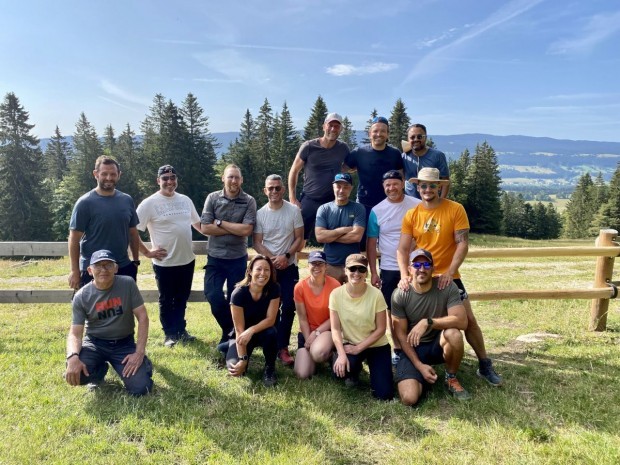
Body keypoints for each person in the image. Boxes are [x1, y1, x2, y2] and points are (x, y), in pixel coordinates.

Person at [397, 167, 503, 386]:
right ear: (418, 187)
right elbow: (402, 249)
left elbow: (462, 243)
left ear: (440, 186)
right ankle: (411, 359)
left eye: (432, 185)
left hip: (448, 276)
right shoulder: (412, 214)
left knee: (468, 320)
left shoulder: (455, 209)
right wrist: (403, 274)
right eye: (423, 185)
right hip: (421, 273)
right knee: (411, 318)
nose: (427, 189)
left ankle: (484, 364)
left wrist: (449, 272)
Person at [64, 250, 153, 395]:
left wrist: (139, 352)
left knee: (141, 388)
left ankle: (144, 365)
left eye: (108, 265)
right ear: (90, 270)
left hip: (124, 344)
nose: (103, 270)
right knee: (76, 376)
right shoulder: (81, 296)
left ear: (116, 268)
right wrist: (72, 357)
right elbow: (75, 333)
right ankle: (99, 371)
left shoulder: (127, 284)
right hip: (95, 344)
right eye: (98, 266)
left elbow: (142, 317)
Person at [136, 165, 203, 348]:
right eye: (165, 178)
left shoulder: (185, 200)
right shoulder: (149, 203)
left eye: (173, 177)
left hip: (187, 259)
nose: (169, 181)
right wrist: (147, 252)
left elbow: (199, 225)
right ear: (158, 181)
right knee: (166, 299)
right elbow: (132, 231)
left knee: (182, 297)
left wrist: (225, 237)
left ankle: (181, 330)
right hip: (164, 263)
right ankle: (169, 334)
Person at [392, 249, 470, 405]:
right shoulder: (400, 294)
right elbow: (400, 335)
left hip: (437, 344)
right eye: (417, 264)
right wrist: (419, 366)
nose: (422, 269)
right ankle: (422, 376)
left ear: (433, 268)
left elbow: (462, 322)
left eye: (427, 264)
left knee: (454, 333)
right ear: (409, 269)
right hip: (413, 346)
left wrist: (428, 322)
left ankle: (451, 377)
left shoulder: (446, 287)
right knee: (409, 398)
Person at [366, 170, 421, 365]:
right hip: (389, 267)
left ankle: (417, 345)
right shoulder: (377, 210)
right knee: (391, 309)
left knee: (417, 306)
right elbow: (371, 244)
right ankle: (398, 348)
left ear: (403, 183)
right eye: (387, 185)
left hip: (417, 266)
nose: (391, 188)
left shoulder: (417, 204)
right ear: (383, 187)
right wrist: (373, 271)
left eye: (395, 183)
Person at [201, 164, 257, 345]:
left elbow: (247, 230)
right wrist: (234, 228)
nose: (234, 181)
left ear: (242, 180)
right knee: (213, 295)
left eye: (237, 177)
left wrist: (219, 222)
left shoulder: (249, 201)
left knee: (236, 299)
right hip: (215, 258)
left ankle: (232, 338)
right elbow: (205, 227)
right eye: (230, 177)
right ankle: (230, 330)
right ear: (223, 178)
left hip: (237, 259)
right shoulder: (212, 198)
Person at [253, 174, 304, 366]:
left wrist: (286, 256)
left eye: (277, 188)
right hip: (267, 269)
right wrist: (272, 260)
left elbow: (299, 238)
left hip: (289, 266)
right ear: (265, 191)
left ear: (283, 189)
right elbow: (257, 242)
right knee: (268, 307)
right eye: (270, 188)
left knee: (289, 306)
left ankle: (282, 347)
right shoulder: (260, 213)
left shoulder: (293, 211)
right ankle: (270, 343)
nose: (274, 191)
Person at [68, 156, 140, 290]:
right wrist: (75, 271)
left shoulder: (126, 200)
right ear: (96, 174)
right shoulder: (85, 203)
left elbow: (133, 233)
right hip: (93, 269)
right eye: (104, 174)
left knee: (124, 309)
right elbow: (74, 238)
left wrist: (135, 262)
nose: (108, 178)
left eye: (113, 174)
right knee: (91, 309)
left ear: (119, 175)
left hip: (122, 267)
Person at [329, 254, 394, 400]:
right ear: (345, 270)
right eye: (352, 268)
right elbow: (335, 329)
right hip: (350, 343)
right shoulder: (335, 294)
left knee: (384, 395)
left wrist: (359, 348)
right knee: (339, 374)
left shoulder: (376, 295)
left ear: (366, 273)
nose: (356, 273)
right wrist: (341, 354)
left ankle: (372, 367)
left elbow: (381, 329)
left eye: (361, 269)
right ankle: (352, 368)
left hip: (376, 345)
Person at [288, 112, 350, 246]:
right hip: (310, 198)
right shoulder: (309, 146)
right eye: (330, 125)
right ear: (324, 126)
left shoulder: (343, 148)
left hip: (331, 200)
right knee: (299, 238)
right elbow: (294, 170)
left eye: (337, 126)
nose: (333, 129)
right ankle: (294, 265)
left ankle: (332, 265)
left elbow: (349, 166)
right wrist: (292, 198)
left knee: (334, 237)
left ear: (341, 129)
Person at [344, 116, 404, 250]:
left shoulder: (394, 154)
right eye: (376, 131)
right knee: (361, 243)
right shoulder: (359, 152)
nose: (379, 134)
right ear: (369, 133)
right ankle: (360, 270)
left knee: (388, 243)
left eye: (383, 131)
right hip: (364, 205)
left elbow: (401, 176)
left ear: (387, 134)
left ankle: (386, 271)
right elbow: (343, 170)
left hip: (388, 205)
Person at [225, 254, 281, 387]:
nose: (263, 273)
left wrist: (251, 330)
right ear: (250, 271)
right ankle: (227, 347)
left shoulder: (274, 288)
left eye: (267, 270)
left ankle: (270, 368)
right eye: (259, 269)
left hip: (263, 332)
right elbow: (239, 330)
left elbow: (270, 319)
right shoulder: (238, 293)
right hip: (242, 336)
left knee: (271, 332)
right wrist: (243, 359)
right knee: (237, 371)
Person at [293, 250, 341, 379]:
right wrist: (309, 339)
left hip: (327, 330)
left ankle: (330, 354)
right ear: (308, 266)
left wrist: (316, 333)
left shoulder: (335, 285)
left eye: (320, 264)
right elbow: (302, 318)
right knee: (302, 374)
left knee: (318, 353)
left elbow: (334, 317)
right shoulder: (299, 287)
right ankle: (317, 356)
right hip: (307, 332)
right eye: (313, 263)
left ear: (326, 266)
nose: (317, 267)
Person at [315, 173, 366, 283]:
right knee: (331, 298)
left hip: (354, 266)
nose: (341, 190)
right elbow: (319, 236)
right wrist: (342, 230)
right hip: (330, 265)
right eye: (338, 186)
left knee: (355, 298)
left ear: (351, 188)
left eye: (346, 187)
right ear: (333, 187)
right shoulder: (324, 209)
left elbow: (356, 237)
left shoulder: (358, 208)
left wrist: (330, 237)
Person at [401, 124, 450, 199]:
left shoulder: (438, 156)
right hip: (410, 203)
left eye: (419, 136)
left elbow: (445, 180)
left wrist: (442, 201)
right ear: (408, 139)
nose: (416, 139)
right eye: (412, 137)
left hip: (432, 202)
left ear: (426, 137)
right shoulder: (403, 157)